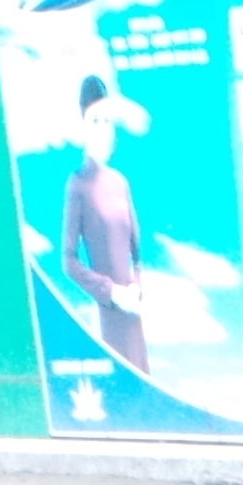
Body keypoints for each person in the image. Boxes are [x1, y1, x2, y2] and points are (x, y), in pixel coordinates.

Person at [63, 74, 150, 370]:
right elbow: (69, 261)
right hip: (109, 310)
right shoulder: (78, 185)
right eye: (95, 121)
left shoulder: (120, 182)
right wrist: (111, 293)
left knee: (142, 373)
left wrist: (136, 287)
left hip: (133, 307)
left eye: (107, 121)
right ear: (84, 127)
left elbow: (137, 253)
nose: (103, 130)